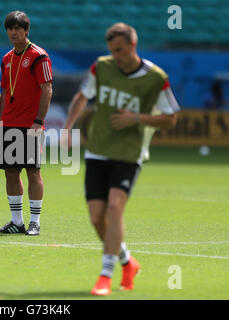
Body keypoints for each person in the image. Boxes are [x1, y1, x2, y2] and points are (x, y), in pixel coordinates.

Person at [62, 22, 179, 295]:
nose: (116, 56)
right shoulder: (101, 67)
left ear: (133, 46)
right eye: (112, 51)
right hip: (98, 150)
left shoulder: (156, 78)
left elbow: (171, 118)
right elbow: (82, 96)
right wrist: (68, 129)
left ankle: (105, 275)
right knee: (96, 217)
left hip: (129, 153)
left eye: (120, 50)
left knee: (115, 207)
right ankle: (128, 262)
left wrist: (136, 118)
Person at [0, 11, 53, 236]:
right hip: (9, 123)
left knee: (33, 171)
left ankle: (34, 221)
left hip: (30, 125)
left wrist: (39, 121)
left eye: (18, 28)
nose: (13, 32)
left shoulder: (39, 56)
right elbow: (4, 92)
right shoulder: (7, 59)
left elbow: (47, 89)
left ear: (26, 31)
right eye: (10, 28)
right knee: (10, 171)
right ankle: (16, 221)